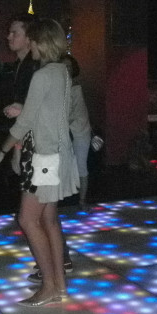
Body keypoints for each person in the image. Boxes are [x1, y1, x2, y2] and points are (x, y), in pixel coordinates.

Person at [0, 18, 79, 306]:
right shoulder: (62, 71)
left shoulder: (42, 75)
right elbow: (49, 114)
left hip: (43, 157)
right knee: (49, 221)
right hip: (57, 154)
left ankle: (49, 286)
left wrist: (2, 151)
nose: (31, 44)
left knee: (27, 219)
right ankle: (59, 285)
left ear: (41, 42)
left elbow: (25, 121)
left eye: (34, 40)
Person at [63, 54, 92, 209]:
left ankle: (82, 201)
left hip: (80, 131)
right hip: (66, 131)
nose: (66, 69)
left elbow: (73, 113)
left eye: (69, 66)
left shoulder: (76, 88)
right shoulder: (60, 87)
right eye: (64, 66)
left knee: (81, 165)